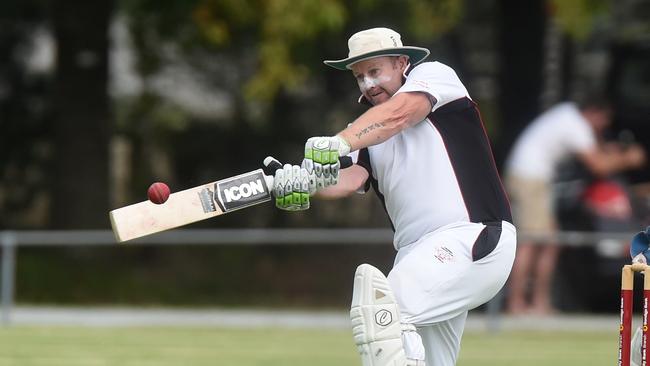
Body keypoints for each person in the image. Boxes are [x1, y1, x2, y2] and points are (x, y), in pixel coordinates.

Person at [267, 27, 516, 366]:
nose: (368, 84)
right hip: (417, 254)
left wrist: (340, 142)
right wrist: (302, 184)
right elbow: (349, 178)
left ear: (402, 62)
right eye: (359, 77)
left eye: (374, 71)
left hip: (471, 237)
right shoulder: (369, 131)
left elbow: (399, 115)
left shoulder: (435, 77)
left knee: (382, 311)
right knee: (428, 357)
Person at [504, 97, 646, 316]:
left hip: (529, 177)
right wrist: (629, 158)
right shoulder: (576, 126)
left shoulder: (567, 114)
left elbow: (597, 151)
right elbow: (598, 165)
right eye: (603, 120)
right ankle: (521, 304)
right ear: (593, 112)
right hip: (531, 179)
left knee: (546, 242)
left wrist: (613, 151)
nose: (603, 126)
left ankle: (534, 303)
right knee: (534, 242)